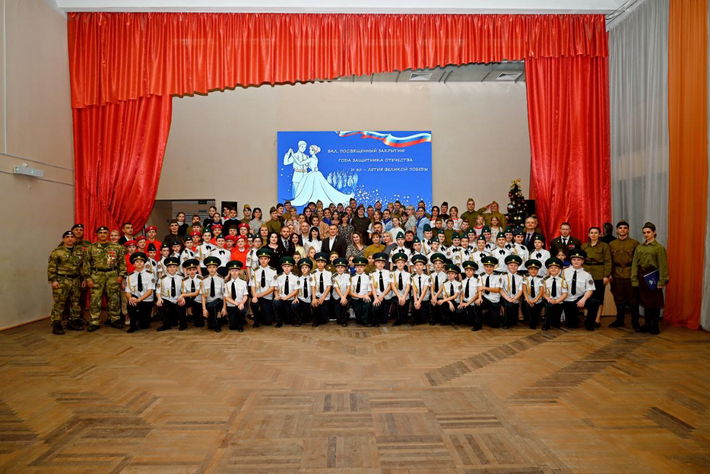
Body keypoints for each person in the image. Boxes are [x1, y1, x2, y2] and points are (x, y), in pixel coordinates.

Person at [84, 226, 126, 331]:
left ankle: (114, 319)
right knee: (95, 299)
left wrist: (121, 275)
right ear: (97, 234)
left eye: (105, 232)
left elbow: (122, 262)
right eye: (100, 232)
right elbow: (86, 264)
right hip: (96, 275)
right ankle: (94, 321)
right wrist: (88, 278)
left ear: (108, 234)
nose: (102, 234)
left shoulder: (117, 247)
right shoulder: (91, 248)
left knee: (114, 298)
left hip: (112, 275)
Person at [631, 222, 669, 335]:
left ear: (654, 232)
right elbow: (634, 264)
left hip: (653, 277)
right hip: (642, 277)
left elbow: (663, 265)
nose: (646, 234)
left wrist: (661, 280)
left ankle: (655, 326)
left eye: (648, 232)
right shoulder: (639, 247)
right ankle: (647, 324)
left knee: (655, 303)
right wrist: (634, 279)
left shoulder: (659, 248)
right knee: (646, 302)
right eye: (644, 233)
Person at [47, 230, 86, 334]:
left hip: (76, 280)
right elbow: (51, 267)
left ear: (74, 239)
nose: (70, 239)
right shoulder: (57, 252)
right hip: (62, 280)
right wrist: (53, 280)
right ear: (63, 239)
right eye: (67, 237)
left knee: (75, 302)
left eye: (72, 237)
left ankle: (73, 322)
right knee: (59, 303)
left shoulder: (79, 251)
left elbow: (82, 267)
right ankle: (56, 324)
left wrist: (83, 279)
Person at [608, 221, 640, 330]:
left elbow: (637, 261)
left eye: (625, 228)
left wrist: (635, 275)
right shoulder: (612, 244)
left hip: (630, 274)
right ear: (617, 230)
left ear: (628, 230)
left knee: (633, 300)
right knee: (619, 299)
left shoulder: (634, 243)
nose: (622, 230)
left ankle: (635, 322)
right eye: (620, 228)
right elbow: (610, 260)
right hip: (617, 275)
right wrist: (610, 274)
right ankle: (619, 320)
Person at [581, 227, 612, 327]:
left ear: (599, 234)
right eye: (591, 233)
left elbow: (608, 261)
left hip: (599, 274)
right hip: (586, 274)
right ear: (588, 234)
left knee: (599, 298)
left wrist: (606, 275)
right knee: (587, 297)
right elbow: (580, 260)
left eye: (596, 233)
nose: (593, 235)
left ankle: (597, 319)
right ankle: (587, 318)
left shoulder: (604, 246)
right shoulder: (584, 246)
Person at [562, 249, 599, 330]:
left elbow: (590, 289)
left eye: (578, 260)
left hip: (580, 298)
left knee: (594, 302)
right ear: (571, 261)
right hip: (567, 299)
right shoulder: (563, 272)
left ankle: (589, 323)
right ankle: (575, 318)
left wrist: (583, 299)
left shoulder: (587, 274)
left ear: (582, 261)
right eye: (574, 259)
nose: (576, 262)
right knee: (571, 325)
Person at [125, 252, 155, 333]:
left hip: (146, 300)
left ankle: (141, 319)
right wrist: (130, 298)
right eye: (137, 262)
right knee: (130, 304)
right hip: (135, 299)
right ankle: (133, 325)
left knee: (144, 325)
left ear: (144, 263)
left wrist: (139, 300)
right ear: (133, 264)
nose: (139, 263)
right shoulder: (130, 276)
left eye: (141, 261)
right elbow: (127, 291)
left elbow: (150, 291)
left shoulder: (150, 275)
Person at [155, 256, 187, 331]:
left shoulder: (181, 278)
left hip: (177, 299)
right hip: (167, 300)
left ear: (177, 268)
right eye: (170, 267)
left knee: (182, 303)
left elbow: (184, 290)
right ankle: (166, 325)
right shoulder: (162, 279)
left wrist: (183, 298)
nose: (172, 269)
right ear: (167, 268)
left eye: (174, 267)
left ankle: (183, 324)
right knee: (160, 304)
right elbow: (158, 291)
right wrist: (159, 299)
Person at [250, 247, 277, 327]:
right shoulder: (254, 270)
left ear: (269, 260)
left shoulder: (273, 271)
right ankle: (256, 319)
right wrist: (255, 296)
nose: (263, 260)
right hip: (257, 296)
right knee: (253, 303)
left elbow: (272, 287)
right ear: (259, 259)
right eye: (261, 259)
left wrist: (260, 295)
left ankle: (263, 315)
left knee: (267, 322)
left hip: (267, 297)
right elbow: (252, 285)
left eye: (265, 259)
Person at [273, 256, 300, 327]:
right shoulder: (278, 277)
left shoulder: (295, 277)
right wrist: (276, 296)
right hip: (281, 299)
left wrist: (288, 297)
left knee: (295, 305)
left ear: (292, 267)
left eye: (288, 266)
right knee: (276, 302)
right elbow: (276, 289)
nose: (287, 268)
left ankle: (295, 320)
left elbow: (296, 290)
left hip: (290, 299)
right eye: (285, 266)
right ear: (282, 267)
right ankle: (279, 322)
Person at [201, 256, 225, 332]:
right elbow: (203, 296)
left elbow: (224, 295)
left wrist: (224, 308)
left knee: (213, 306)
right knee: (210, 325)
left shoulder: (221, 279)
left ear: (217, 268)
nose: (212, 269)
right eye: (210, 267)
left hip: (219, 302)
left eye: (214, 267)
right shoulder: (203, 280)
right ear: (207, 269)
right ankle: (215, 322)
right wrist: (204, 309)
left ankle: (216, 325)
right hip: (209, 303)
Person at [223, 260, 249, 331]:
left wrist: (242, 303)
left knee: (241, 312)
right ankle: (236, 320)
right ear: (229, 272)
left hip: (240, 306)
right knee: (232, 327)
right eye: (232, 271)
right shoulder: (226, 284)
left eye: (236, 270)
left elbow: (245, 295)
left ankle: (241, 324)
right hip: (231, 306)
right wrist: (236, 303)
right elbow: (226, 297)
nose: (234, 272)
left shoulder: (243, 283)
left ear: (239, 272)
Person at [477, 255, 502, 328]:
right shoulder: (481, 276)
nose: (489, 268)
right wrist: (479, 298)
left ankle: (488, 315)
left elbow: (497, 290)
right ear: (484, 267)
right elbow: (479, 288)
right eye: (487, 266)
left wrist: (485, 287)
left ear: (494, 267)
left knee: (495, 325)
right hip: (485, 298)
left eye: (491, 266)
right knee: (477, 304)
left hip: (494, 300)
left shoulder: (498, 276)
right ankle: (478, 324)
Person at [543, 257, 567, 330]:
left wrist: (557, 301)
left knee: (557, 318)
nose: (553, 269)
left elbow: (564, 293)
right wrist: (548, 299)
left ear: (559, 270)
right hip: (548, 300)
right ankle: (546, 324)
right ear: (548, 270)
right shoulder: (545, 280)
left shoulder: (562, 281)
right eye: (551, 268)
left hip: (559, 301)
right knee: (549, 307)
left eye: (556, 268)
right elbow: (543, 292)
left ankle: (556, 322)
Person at [500, 254, 524, 328]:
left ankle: (511, 319)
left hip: (516, 298)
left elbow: (521, 290)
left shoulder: (521, 277)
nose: (513, 267)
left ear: (518, 266)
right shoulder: (503, 276)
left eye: (515, 265)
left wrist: (514, 298)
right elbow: (500, 289)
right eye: (511, 265)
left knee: (513, 321)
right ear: (507, 266)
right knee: (508, 305)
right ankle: (505, 324)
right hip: (505, 297)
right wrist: (508, 299)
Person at [371, 252, 394, 326]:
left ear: (384, 264)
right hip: (377, 296)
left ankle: (382, 317)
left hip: (386, 296)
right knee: (376, 307)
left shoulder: (389, 273)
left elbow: (390, 286)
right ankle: (375, 320)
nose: (380, 264)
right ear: (375, 263)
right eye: (378, 262)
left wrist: (382, 296)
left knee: (384, 320)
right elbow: (373, 287)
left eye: (382, 262)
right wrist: (376, 298)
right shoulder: (372, 274)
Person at [349, 256, 373, 326]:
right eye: (357, 266)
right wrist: (361, 296)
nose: (359, 268)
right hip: (355, 298)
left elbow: (371, 291)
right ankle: (360, 318)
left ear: (365, 267)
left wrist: (366, 295)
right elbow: (350, 292)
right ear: (354, 267)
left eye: (361, 267)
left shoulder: (368, 277)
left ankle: (366, 320)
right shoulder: (351, 277)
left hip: (365, 298)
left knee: (367, 302)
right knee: (358, 320)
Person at [523, 259, 545, 329]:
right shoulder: (525, 278)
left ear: (538, 270)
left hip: (538, 300)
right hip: (528, 299)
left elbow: (541, 291)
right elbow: (524, 290)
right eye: (531, 269)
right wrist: (528, 300)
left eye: (535, 269)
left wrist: (535, 300)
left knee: (536, 311)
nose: (533, 271)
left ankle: (535, 321)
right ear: (528, 270)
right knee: (528, 309)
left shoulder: (541, 279)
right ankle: (531, 321)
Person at [390, 253, 411, 325]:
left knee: (404, 307)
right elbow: (393, 286)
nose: (400, 264)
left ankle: (403, 318)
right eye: (398, 262)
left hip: (405, 295)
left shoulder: (408, 274)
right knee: (399, 303)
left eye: (402, 262)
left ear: (405, 264)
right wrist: (399, 297)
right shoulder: (392, 274)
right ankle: (399, 320)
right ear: (395, 264)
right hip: (396, 295)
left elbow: (408, 286)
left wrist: (404, 297)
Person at [458, 260, 480, 330]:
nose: (468, 272)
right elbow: (461, 293)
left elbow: (477, 294)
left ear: (474, 272)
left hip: (473, 303)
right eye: (467, 270)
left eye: (471, 270)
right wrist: (461, 302)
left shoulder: (477, 281)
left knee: (474, 315)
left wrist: (468, 303)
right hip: (465, 302)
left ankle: (477, 324)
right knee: (458, 311)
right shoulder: (463, 281)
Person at [182, 259, 204, 327]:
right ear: (187, 271)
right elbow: (183, 292)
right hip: (189, 299)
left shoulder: (200, 279)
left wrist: (182, 295)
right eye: (189, 270)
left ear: (196, 270)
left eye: (193, 269)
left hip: (198, 300)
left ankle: (193, 316)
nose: (192, 271)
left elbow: (197, 293)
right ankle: (183, 322)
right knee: (180, 302)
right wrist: (182, 297)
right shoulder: (184, 280)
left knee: (199, 324)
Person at [410, 254, 431, 325]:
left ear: (424, 266)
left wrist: (419, 301)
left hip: (424, 300)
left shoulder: (427, 277)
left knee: (423, 320)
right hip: (416, 298)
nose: (419, 267)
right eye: (417, 265)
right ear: (414, 267)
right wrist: (416, 301)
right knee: (414, 319)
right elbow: (414, 290)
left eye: (420, 265)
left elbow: (424, 291)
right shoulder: (412, 277)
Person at [331, 258, 351, 326]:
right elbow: (336, 288)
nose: (340, 269)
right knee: (338, 312)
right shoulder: (333, 276)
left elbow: (348, 287)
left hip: (345, 295)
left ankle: (344, 319)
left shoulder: (348, 275)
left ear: (345, 268)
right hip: (336, 296)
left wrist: (344, 297)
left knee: (344, 308)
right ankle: (340, 318)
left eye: (342, 267)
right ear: (336, 268)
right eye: (338, 267)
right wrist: (342, 297)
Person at [294, 258, 314, 324]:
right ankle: (298, 319)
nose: (304, 269)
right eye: (302, 268)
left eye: (306, 267)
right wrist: (296, 298)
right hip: (301, 299)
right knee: (294, 305)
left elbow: (313, 288)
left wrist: (313, 299)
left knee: (307, 319)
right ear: (300, 269)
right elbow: (296, 290)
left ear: (309, 269)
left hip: (309, 300)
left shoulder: (312, 278)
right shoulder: (298, 279)